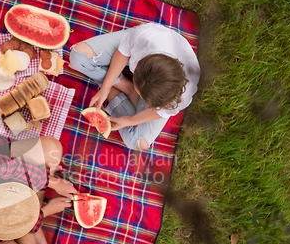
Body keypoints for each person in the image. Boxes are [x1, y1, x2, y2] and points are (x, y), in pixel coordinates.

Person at [69, 22, 201, 151]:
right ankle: (125, 87)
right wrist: (105, 88)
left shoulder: (183, 93)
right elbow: (122, 54)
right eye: (138, 92)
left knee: (138, 143)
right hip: (141, 43)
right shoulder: (144, 38)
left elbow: (160, 112)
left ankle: (122, 88)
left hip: (156, 84)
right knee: (78, 57)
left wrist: (130, 120)